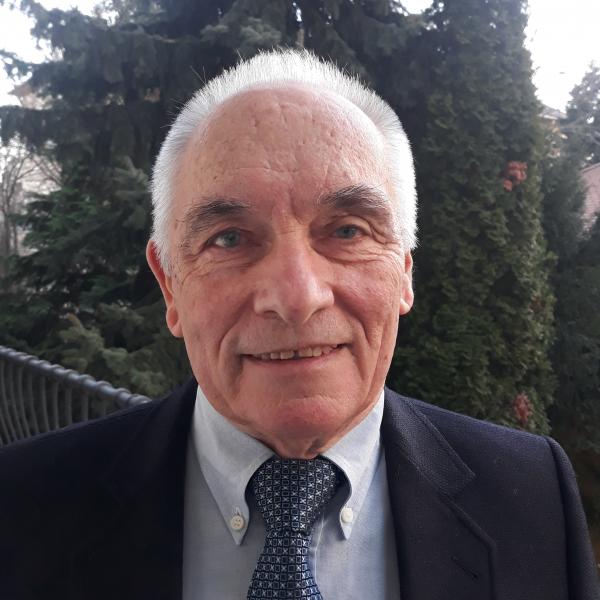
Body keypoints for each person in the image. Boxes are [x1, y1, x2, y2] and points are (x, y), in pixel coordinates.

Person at [0, 49, 598, 600]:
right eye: (229, 239)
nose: (297, 297)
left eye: (347, 231)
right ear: (170, 285)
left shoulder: (533, 496)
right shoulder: (23, 505)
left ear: (404, 270)